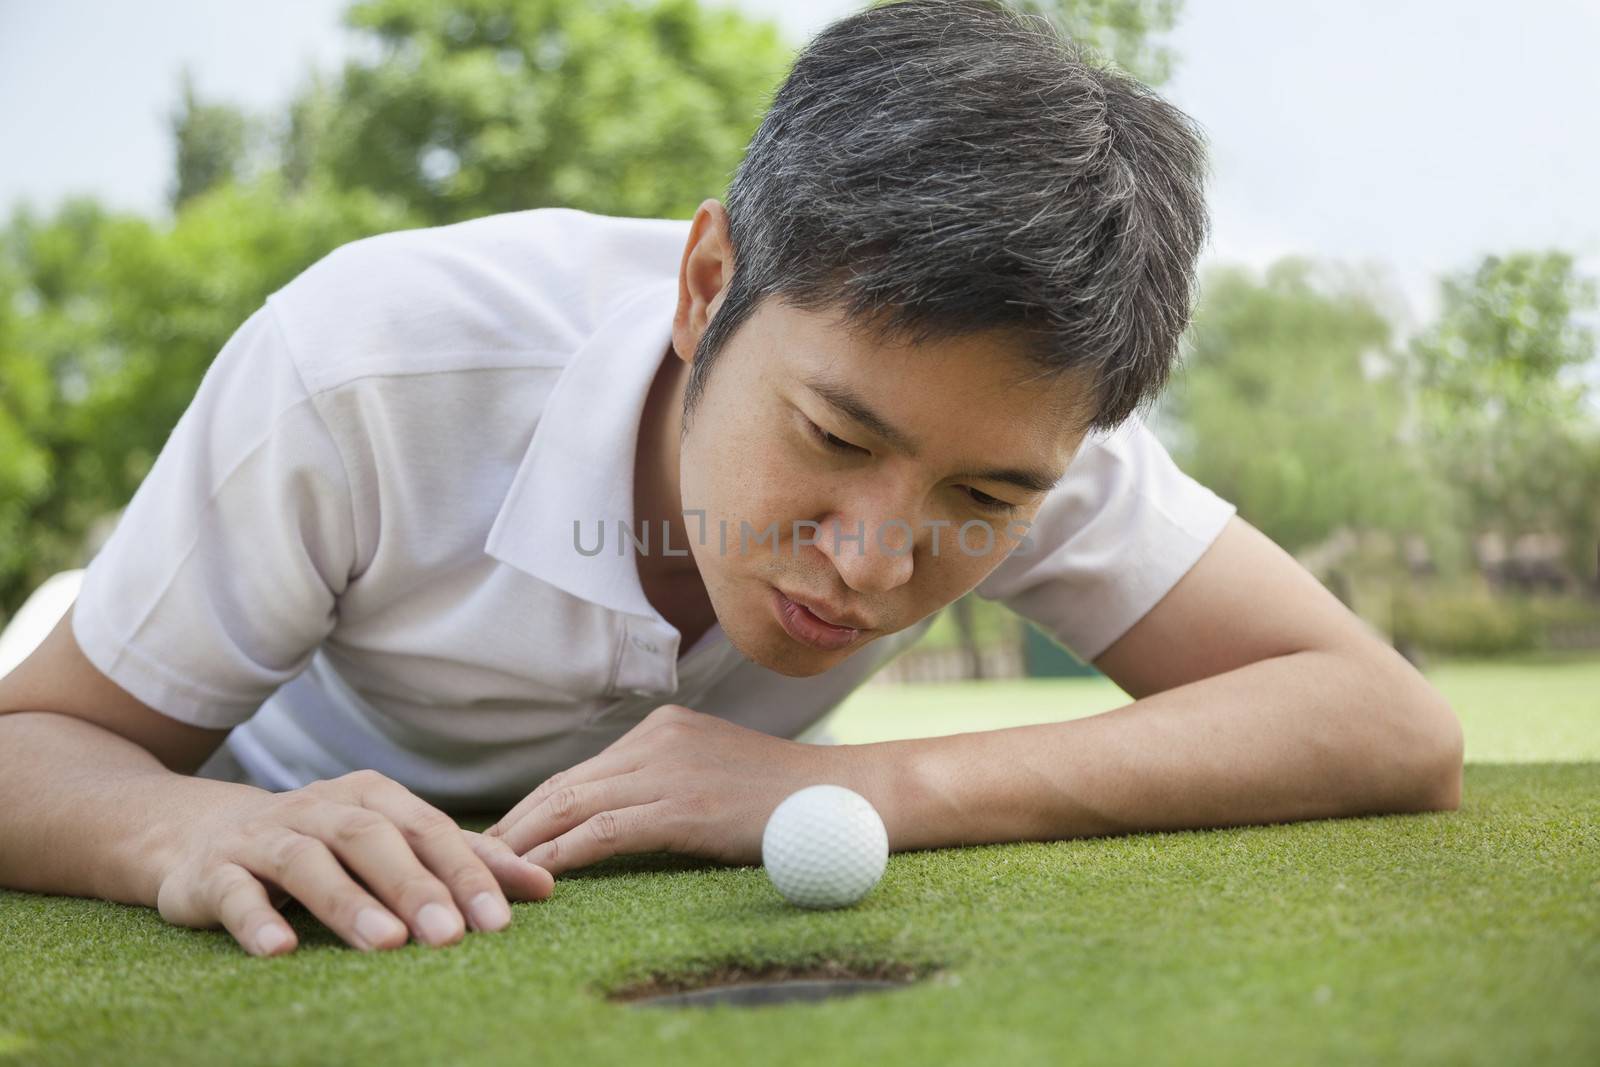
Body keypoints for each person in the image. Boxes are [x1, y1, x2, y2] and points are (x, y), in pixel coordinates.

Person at [0, 0, 1462, 959]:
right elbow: (32, 747)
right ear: (707, 287)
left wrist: (839, 784)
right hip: (254, 761)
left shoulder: (1022, 427)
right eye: (833, 441)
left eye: (984, 504)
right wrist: (193, 828)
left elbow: (1387, 724)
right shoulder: (369, 363)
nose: (878, 560)